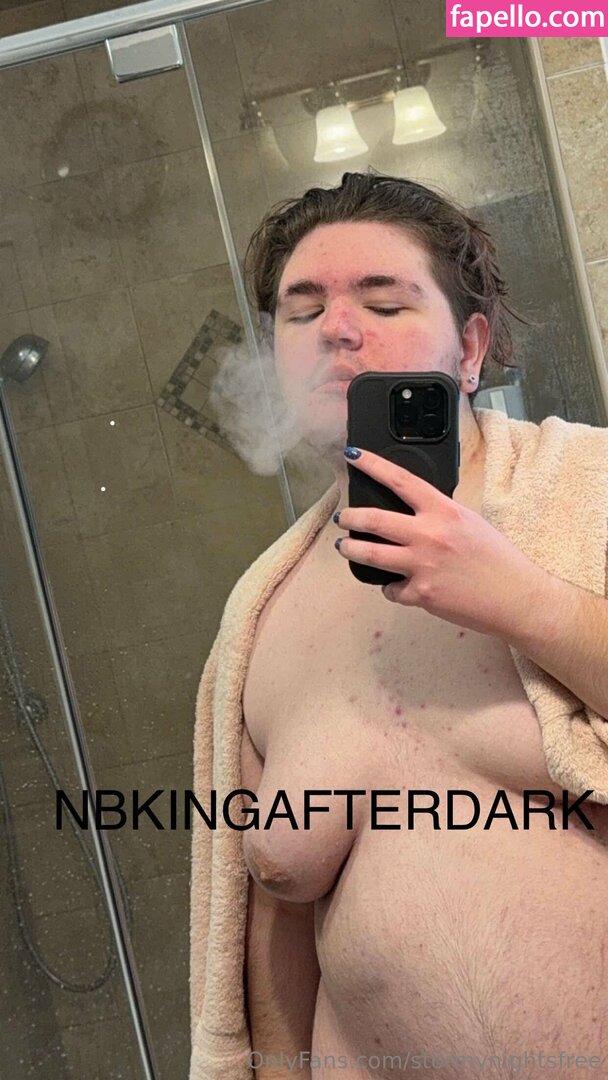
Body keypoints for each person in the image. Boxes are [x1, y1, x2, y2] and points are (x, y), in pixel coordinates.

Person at [190, 170, 608, 1079]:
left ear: (470, 349)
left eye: (383, 303)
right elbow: (272, 928)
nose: (337, 329)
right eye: (302, 312)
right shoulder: (260, 620)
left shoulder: (592, 495)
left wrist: (526, 602)